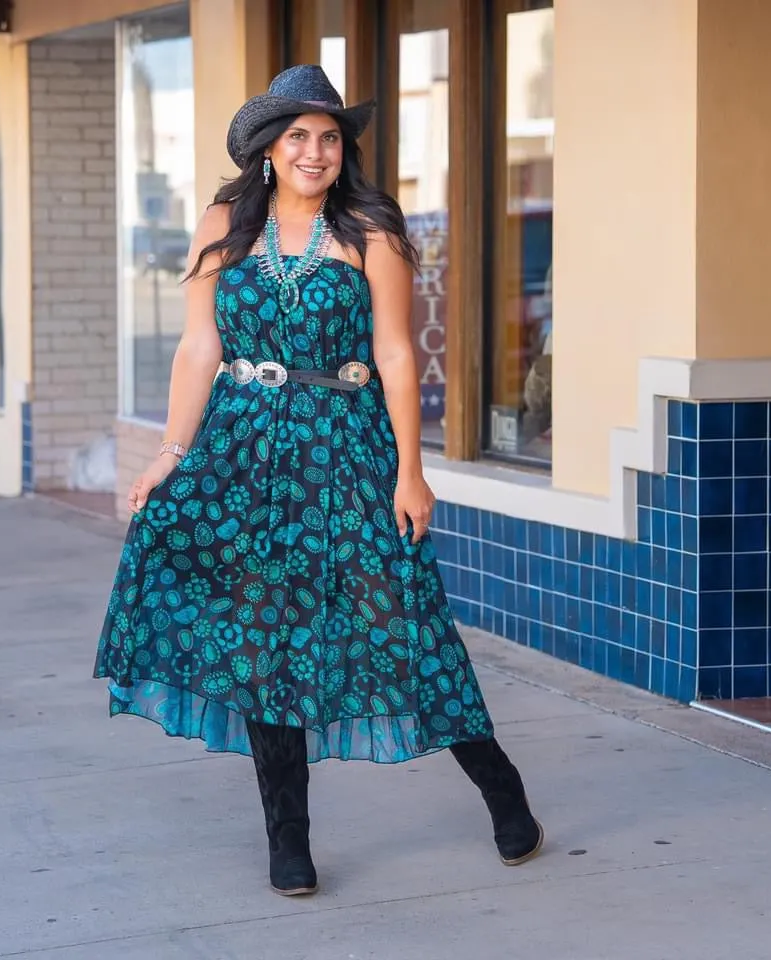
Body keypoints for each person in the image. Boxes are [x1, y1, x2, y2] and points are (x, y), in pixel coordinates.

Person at [93, 65, 543, 897]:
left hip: (349, 451)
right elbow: (199, 347)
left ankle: (502, 789)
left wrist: (413, 471)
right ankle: (288, 837)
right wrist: (169, 452)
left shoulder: (370, 228)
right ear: (268, 148)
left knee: (403, 623)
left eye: (329, 137)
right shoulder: (225, 222)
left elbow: (398, 354)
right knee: (263, 638)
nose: (315, 151)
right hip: (240, 453)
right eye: (297, 135)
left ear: (345, 150)